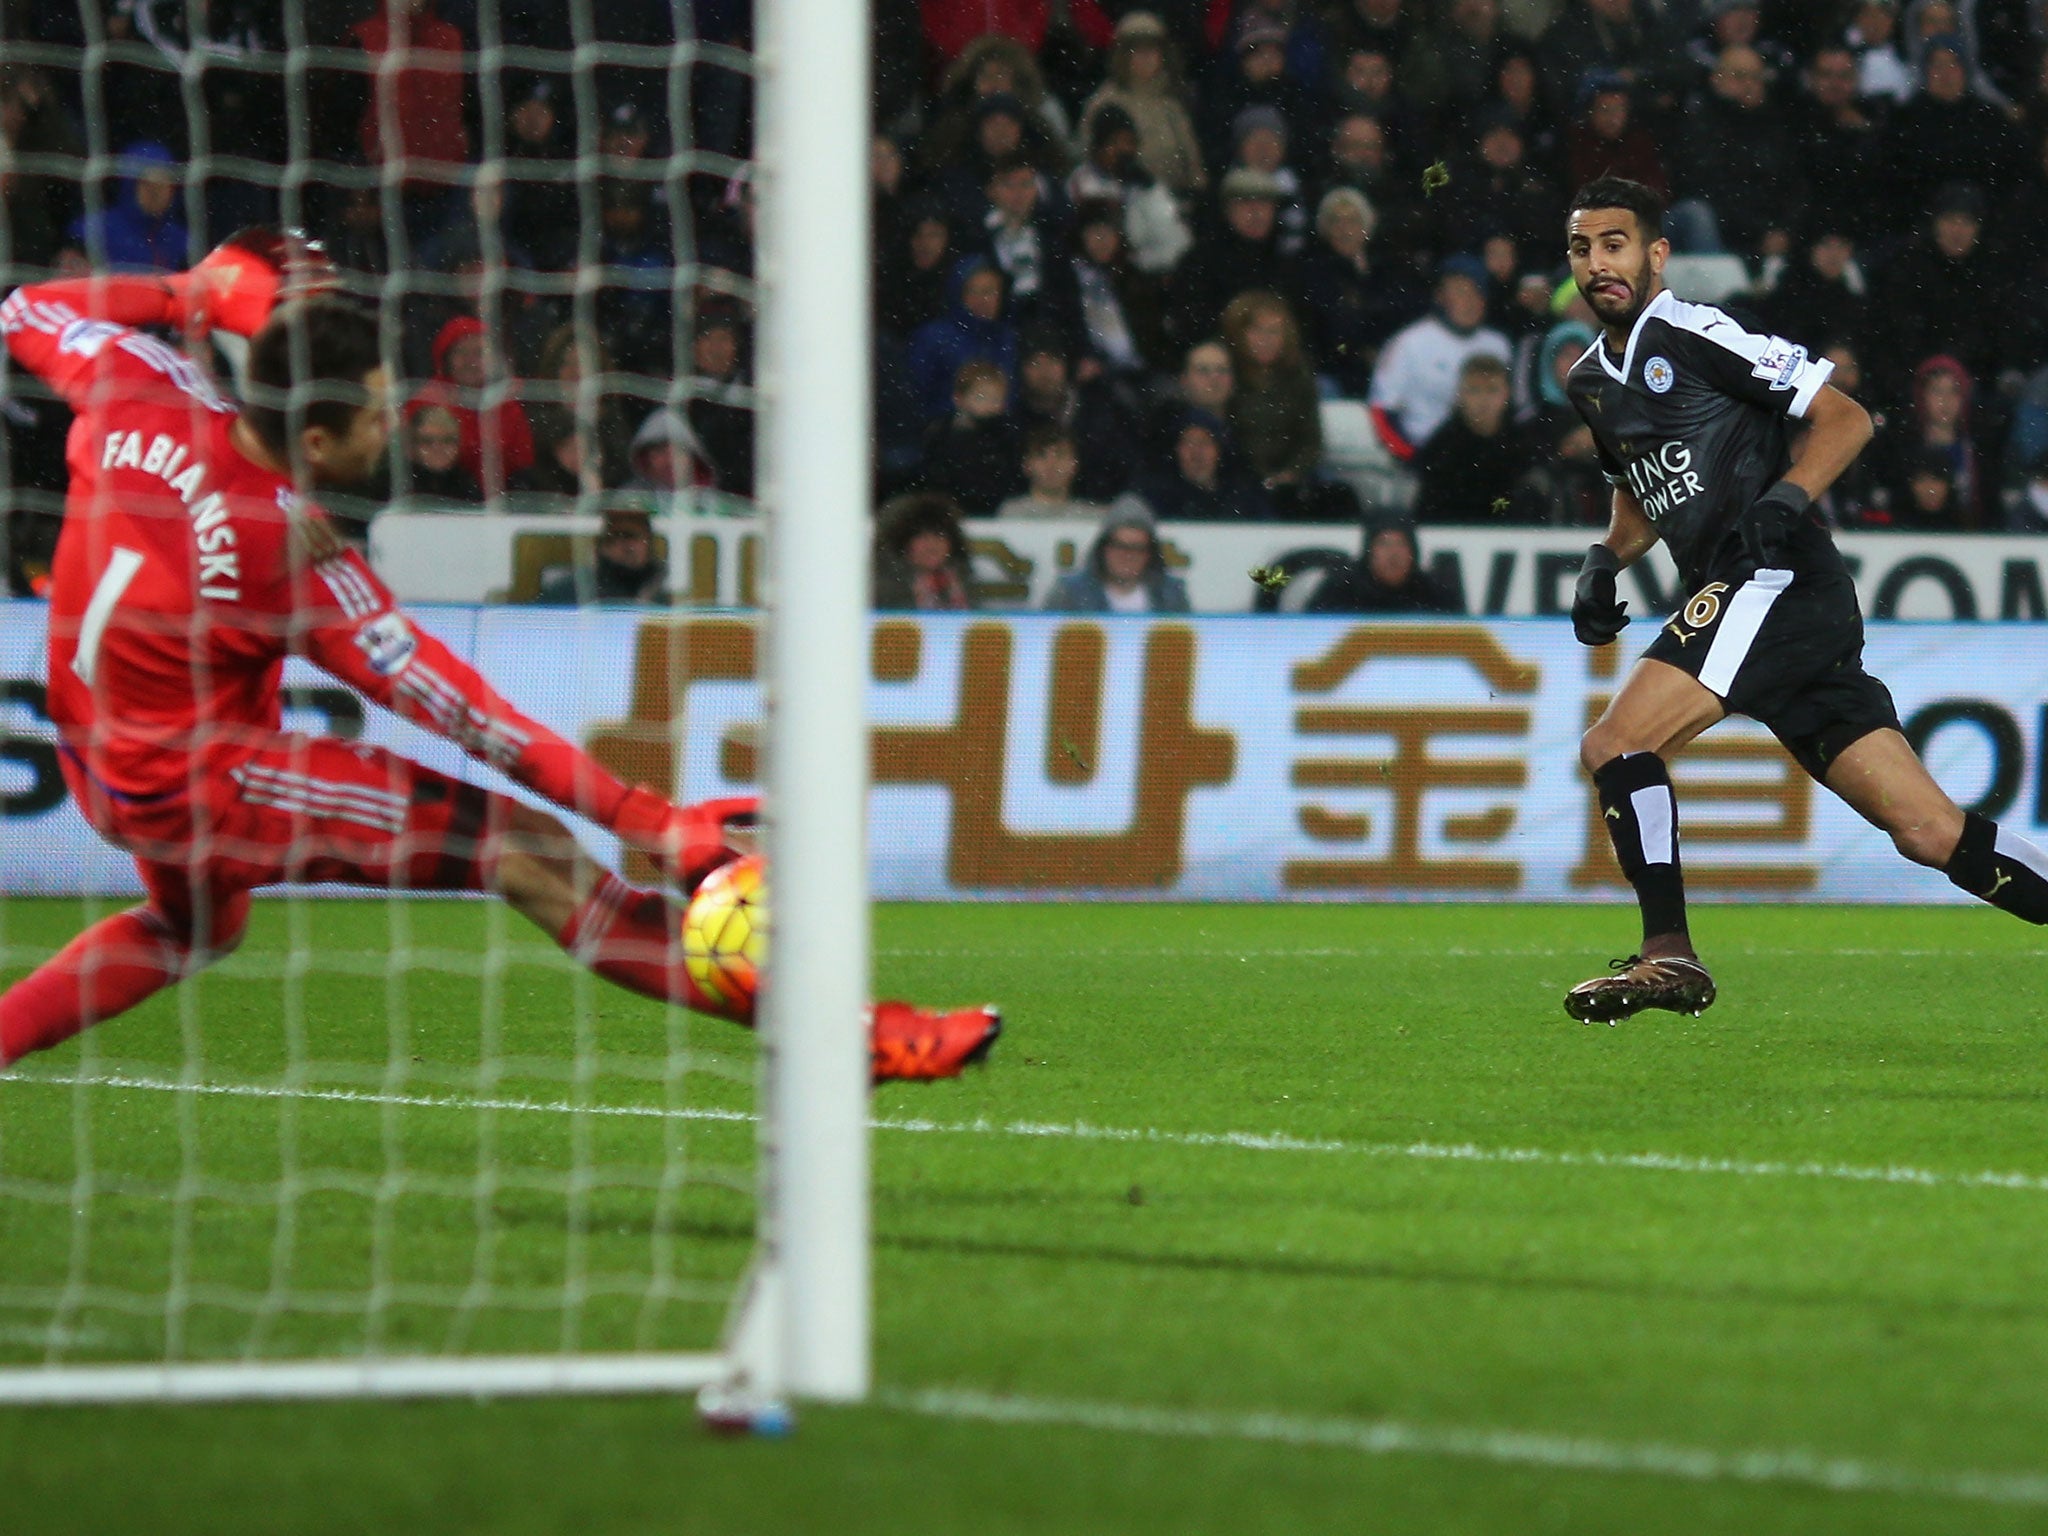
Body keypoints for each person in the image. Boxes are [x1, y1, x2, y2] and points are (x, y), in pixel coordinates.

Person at [0, 232, 997, 1082]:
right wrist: (648, 820)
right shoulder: (290, 554)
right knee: (524, 851)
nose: (393, 426)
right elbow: (471, 718)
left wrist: (183, 294)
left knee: (194, 930)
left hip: (95, 748)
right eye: (375, 418)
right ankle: (852, 1041)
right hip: (201, 785)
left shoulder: (136, 384)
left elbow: (22, 308)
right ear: (312, 433)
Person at [1558, 176, 2048, 1024]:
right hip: (1762, 609)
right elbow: (1642, 490)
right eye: (1582, 248)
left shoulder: (1694, 330)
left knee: (1615, 744)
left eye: (1615, 244)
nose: (1599, 263)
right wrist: (1606, 557)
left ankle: (1667, 955)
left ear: (1655, 254)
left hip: (1775, 583)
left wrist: (1785, 500)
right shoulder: (1591, 380)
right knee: (1929, 832)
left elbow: (1845, 418)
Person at [1043, 507, 1191, 613]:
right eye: (1119, 546)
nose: (1127, 555)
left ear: (1149, 554)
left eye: (1136, 548)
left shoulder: (1171, 594)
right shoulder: (1070, 592)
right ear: (1103, 549)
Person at [1306, 521, 1459, 613]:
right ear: (1369, 551)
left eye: (1401, 544)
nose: (1393, 554)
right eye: (1384, 544)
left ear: (1413, 552)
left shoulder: (1434, 595)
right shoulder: (1340, 591)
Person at [536, 503, 670, 605]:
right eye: (615, 536)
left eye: (633, 536)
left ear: (649, 543)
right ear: (601, 545)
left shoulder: (662, 594)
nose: (626, 546)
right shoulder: (571, 590)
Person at [873, 492, 978, 610]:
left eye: (940, 535)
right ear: (902, 543)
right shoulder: (880, 588)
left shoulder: (963, 582)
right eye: (922, 536)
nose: (932, 545)